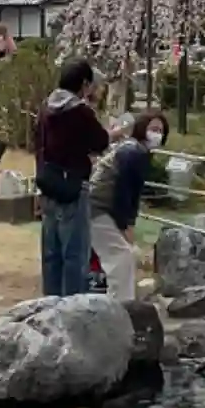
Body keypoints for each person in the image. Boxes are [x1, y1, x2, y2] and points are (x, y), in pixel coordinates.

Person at [35, 59, 109, 297]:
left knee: (51, 255)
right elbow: (101, 141)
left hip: (48, 186)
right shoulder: (80, 112)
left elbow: (40, 148)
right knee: (75, 256)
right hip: (74, 188)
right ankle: (72, 309)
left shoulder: (46, 108)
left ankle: (49, 306)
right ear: (84, 84)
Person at [89, 111, 167, 301]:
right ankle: (120, 305)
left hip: (98, 206)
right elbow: (124, 191)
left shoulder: (133, 150)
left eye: (161, 131)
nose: (157, 134)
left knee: (123, 256)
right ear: (141, 128)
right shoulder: (133, 152)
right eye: (153, 129)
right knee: (121, 257)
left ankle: (123, 301)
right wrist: (126, 225)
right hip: (97, 207)